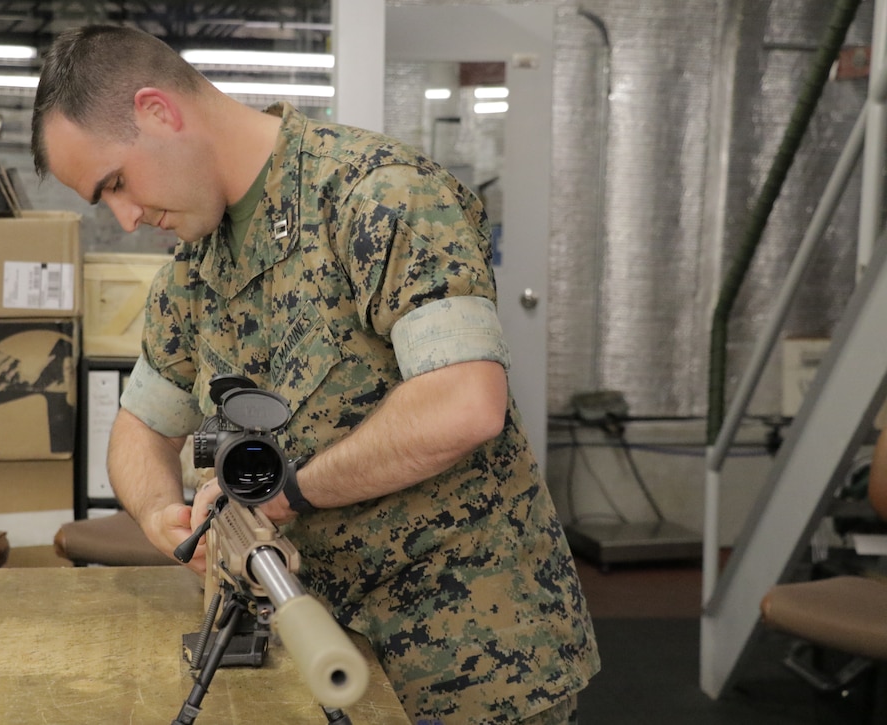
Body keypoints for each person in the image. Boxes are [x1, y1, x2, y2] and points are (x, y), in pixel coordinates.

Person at [31, 24, 600, 725]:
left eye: (116, 182)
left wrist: (287, 494)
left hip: (468, 661)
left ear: (158, 111)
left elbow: (465, 403)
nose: (124, 217)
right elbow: (138, 428)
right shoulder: (195, 269)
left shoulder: (377, 196)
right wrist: (165, 516)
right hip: (315, 654)